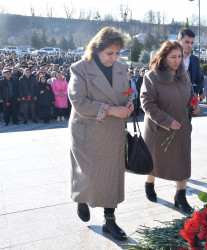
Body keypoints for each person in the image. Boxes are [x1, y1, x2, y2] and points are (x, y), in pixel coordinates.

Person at [68, 27, 134, 241]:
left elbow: (125, 93)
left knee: (110, 175)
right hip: (88, 131)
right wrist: (112, 110)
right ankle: (81, 198)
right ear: (96, 49)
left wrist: (128, 104)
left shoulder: (121, 68)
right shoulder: (80, 69)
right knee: (87, 173)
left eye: (117, 53)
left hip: (113, 132)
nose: (114, 58)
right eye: (109, 53)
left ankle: (110, 220)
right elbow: (79, 103)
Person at [141, 40, 200, 213]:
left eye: (179, 57)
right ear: (163, 57)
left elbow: (191, 96)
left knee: (183, 163)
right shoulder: (152, 77)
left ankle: (180, 196)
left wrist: (195, 106)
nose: (177, 61)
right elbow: (147, 104)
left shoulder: (184, 76)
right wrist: (167, 121)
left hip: (181, 129)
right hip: (159, 130)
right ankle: (149, 184)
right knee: (154, 163)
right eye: (172, 57)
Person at [177, 28, 202, 95]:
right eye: (187, 42)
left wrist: (194, 94)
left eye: (192, 43)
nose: (190, 45)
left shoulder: (195, 60)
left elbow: (198, 81)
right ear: (178, 41)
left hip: (189, 102)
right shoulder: (172, 59)